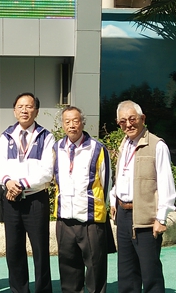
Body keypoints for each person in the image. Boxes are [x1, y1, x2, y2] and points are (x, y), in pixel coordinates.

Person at [109, 100, 176, 293]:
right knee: (126, 271)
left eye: (132, 119)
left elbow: (166, 183)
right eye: (123, 121)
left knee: (150, 271)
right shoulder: (125, 143)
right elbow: (122, 177)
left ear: (142, 118)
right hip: (123, 214)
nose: (128, 125)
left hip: (146, 218)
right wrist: (114, 199)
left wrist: (161, 218)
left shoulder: (157, 145)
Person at [0, 92, 55, 293]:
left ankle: (43, 290)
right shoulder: (7, 135)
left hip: (36, 199)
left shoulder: (46, 136)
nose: (24, 110)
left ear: (36, 111)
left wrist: (20, 184)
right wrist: (7, 181)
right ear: (14, 111)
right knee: (14, 249)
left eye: (29, 107)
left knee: (40, 249)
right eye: (20, 107)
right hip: (11, 199)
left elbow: (48, 170)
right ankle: (19, 290)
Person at [53, 106, 112, 293]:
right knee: (68, 268)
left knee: (95, 267)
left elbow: (107, 183)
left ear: (82, 123)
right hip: (65, 219)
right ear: (63, 125)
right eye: (67, 121)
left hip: (91, 219)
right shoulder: (56, 148)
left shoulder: (97, 149)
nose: (72, 125)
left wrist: (102, 209)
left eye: (75, 121)